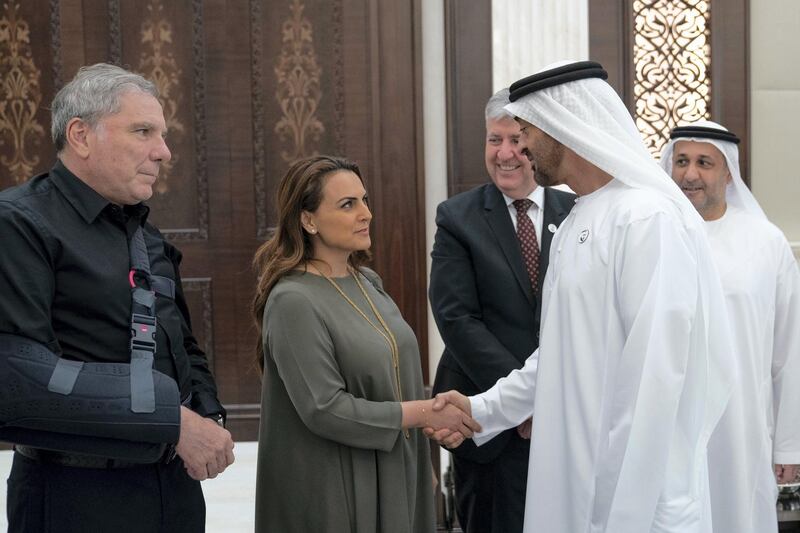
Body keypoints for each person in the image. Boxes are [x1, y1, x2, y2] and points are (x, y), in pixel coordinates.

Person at [429, 61, 738, 533]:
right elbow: (559, 356)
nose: (522, 147)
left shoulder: (644, 219)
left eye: (528, 130)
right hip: (573, 478)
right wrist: (481, 408)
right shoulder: (578, 218)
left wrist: (618, 502)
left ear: (564, 127)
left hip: (631, 495)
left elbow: (653, 379)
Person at [0, 63, 234, 533]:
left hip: (175, 492)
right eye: (143, 131)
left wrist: (208, 416)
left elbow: (180, 346)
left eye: (163, 135)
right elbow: (16, 377)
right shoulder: (17, 224)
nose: (164, 152)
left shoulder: (145, 235)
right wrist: (173, 420)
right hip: (75, 497)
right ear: (81, 136)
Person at [251, 155, 480, 532]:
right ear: (308, 220)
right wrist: (424, 413)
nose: (366, 214)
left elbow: (393, 377)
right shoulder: (293, 300)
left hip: (395, 466)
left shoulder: (367, 281)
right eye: (347, 204)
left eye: (365, 200)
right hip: (335, 487)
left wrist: (421, 462)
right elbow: (324, 409)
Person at [429, 88, 575, 533]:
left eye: (517, 140)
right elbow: (457, 319)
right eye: (495, 140)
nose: (506, 153)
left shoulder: (578, 212)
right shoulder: (458, 217)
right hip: (489, 417)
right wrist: (522, 401)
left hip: (566, 414)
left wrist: (547, 399)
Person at [661, 120, 800, 533]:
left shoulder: (765, 241)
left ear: (728, 173)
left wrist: (789, 444)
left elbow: (788, 351)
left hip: (741, 427)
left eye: (705, 162)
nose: (690, 174)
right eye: (682, 161)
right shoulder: (654, 233)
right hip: (668, 424)